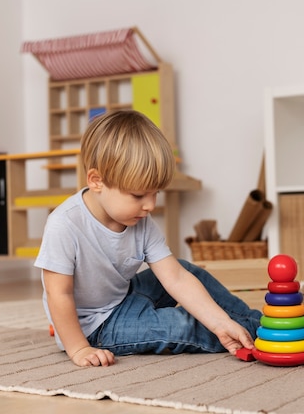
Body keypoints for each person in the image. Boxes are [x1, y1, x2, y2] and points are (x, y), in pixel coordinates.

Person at [34, 110, 261, 367]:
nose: (150, 205)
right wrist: (79, 349)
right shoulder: (64, 224)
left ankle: (259, 322)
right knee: (181, 326)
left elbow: (174, 278)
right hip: (95, 327)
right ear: (97, 181)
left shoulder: (141, 221)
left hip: (125, 296)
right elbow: (58, 294)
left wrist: (220, 320)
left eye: (155, 194)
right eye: (138, 195)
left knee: (185, 270)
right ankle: (256, 336)